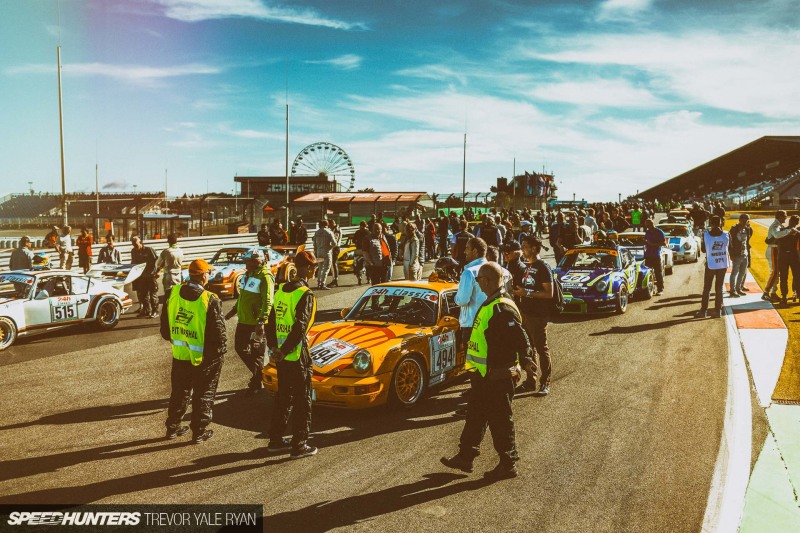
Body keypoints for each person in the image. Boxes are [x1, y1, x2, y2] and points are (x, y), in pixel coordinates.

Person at [440, 262, 533, 480]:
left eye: (479, 280)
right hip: (484, 375)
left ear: (488, 281)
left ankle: (508, 463)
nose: (478, 284)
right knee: (476, 415)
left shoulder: (501, 308)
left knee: (501, 420)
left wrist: (527, 360)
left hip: (497, 376)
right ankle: (466, 456)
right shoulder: (492, 302)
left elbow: (520, 337)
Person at [161, 258, 226, 443]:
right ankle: (198, 431)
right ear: (203, 276)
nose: (209, 276)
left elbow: (165, 331)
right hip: (204, 357)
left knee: (179, 391)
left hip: (180, 355)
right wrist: (217, 356)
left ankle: (172, 427)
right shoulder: (209, 299)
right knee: (204, 393)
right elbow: (220, 337)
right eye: (208, 273)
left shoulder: (172, 293)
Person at [266, 250, 319, 459]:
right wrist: (285, 350)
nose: (315, 270)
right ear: (307, 269)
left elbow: (271, 322)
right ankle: (299, 445)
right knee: (302, 400)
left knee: (283, 398)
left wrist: (274, 348)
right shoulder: (305, 294)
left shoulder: (281, 291)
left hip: (281, 356)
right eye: (314, 267)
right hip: (296, 355)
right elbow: (300, 327)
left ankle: (275, 440)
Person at [225, 248, 274, 394]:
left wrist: (261, 321)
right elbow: (243, 297)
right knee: (240, 348)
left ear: (257, 261)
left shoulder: (265, 276)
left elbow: (268, 300)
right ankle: (260, 375)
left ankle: (257, 381)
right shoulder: (247, 275)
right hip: (243, 320)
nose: (245, 264)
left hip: (256, 323)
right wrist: (233, 311)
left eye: (248, 261)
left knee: (256, 353)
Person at [511, 235, 554, 395]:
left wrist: (526, 292)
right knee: (529, 350)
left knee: (541, 349)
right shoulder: (527, 266)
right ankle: (530, 381)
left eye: (525, 246)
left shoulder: (543, 267)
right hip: (525, 314)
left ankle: (545, 382)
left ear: (534, 248)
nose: (522, 249)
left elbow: (549, 293)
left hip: (538, 315)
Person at [454, 238, 488, 355]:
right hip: (491, 322)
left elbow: (462, 300)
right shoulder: (496, 268)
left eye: (467, 248)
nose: (464, 252)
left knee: (473, 361)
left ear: (475, 251)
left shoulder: (469, 272)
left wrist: (455, 297)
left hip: (472, 325)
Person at [697, 216, 730, 318]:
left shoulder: (706, 235)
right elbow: (730, 247)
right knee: (719, 288)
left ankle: (703, 311)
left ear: (710, 223)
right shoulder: (726, 234)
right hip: (722, 264)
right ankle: (717, 311)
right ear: (720, 223)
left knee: (707, 288)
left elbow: (703, 250)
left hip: (711, 264)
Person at [764, 210, 794, 301]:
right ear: (780, 216)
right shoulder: (775, 225)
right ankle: (766, 292)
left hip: (775, 249)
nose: (786, 217)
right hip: (773, 249)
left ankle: (773, 293)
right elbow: (777, 235)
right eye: (785, 216)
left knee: (776, 273)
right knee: (774, 272)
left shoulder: (779, 225)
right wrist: (789, 231)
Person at [131, 236, 159, 318]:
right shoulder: (133, 251)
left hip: (151, 275)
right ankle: (147, 310)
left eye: (135, 243)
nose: (134, 245)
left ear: (140, 242)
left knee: (153, 294)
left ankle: (155, 311)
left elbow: (157, 261)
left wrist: (157, 272)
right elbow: (133, 262)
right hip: (141, 276)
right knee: (143, 294)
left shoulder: (149, 250)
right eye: (133, 243)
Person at [776, 215, 800, 306]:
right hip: (792, 256)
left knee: (784, 277)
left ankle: (784, 297)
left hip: (784, 256)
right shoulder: (795, 232)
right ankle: (793, 295)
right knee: (796, 276)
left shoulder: (782, 231)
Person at [728, 214, 752, 297]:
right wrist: (731, 254)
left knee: (742, 272)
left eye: (746, 221)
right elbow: (730, 242)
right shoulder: (734, 229)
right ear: (739, 220)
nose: (745, 222)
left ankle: (739, 288)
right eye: (743, 220)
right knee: (734, 272)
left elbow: (748, 240)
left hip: (745, 254)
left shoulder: (748, 229)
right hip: (736, 254)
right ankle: (732, 290)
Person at [643, 219, 666, 296]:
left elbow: (664, 243)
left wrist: (652, 244)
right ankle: (651, 288)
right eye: (646, 226)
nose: (647, 227)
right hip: (648, 255)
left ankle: (660, 289)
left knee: (658, 273)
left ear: (652, 224)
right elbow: (646, 241)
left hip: (656, 255)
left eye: (648, 225)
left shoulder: (659, 232)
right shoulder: (647, 232)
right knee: (648, 273)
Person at [312, 220, 336, 290]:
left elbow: (314, 244)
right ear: (327, 225)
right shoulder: (329, 232)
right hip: (326, 252)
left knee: (320, 268)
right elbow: (334, 243)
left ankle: (319, 283)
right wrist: (330, 247)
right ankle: (323, 284)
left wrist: (316, 251)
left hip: (319, 252)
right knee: (326, 268)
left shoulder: (317, 232)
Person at [328, 219, 342, 288]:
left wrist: (330, 245)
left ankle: (335, 279)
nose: (328, 226)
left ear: (332, 223)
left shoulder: (337, 230)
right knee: (333, 264)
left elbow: (335, 241)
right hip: (334, 248)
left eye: (329, 225)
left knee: (334, 263)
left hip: (335, 248)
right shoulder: (334, 229)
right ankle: (334, 279)